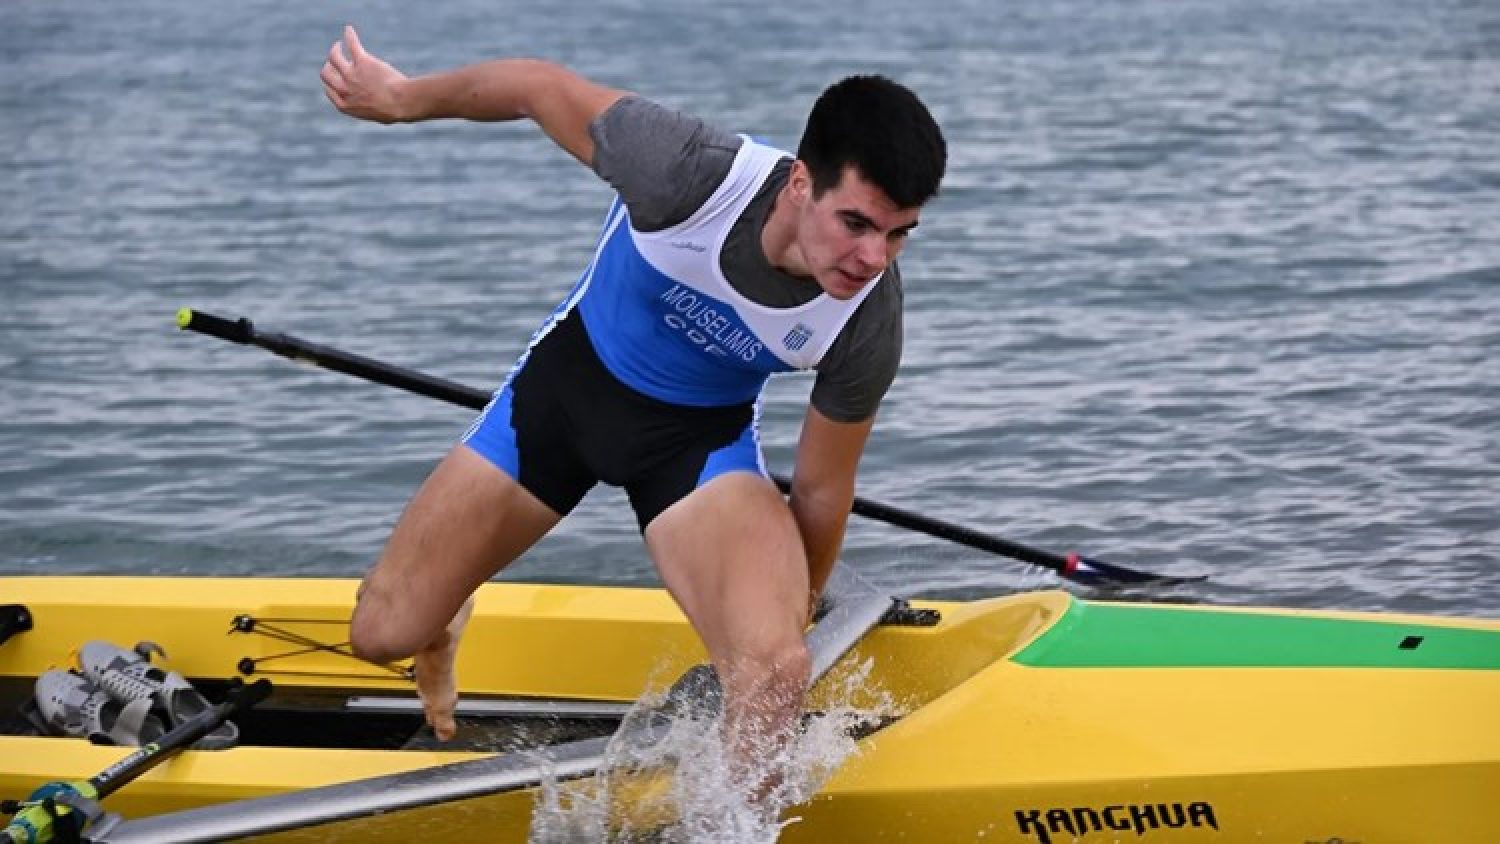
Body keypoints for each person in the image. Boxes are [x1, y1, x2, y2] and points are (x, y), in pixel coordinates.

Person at [319, 24, 945, 789]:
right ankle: (445, 614)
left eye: (899, 235)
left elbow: (819, 490)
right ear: (799, 184)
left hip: (695, 449)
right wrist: (400, 99)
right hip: (559, 404)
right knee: (380, 634)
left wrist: (787, 622)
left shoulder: (868, 321)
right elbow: (535, 87)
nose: (873, 258)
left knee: (776, 673)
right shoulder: (685, 169)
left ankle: (729, 832)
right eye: (856, 223)